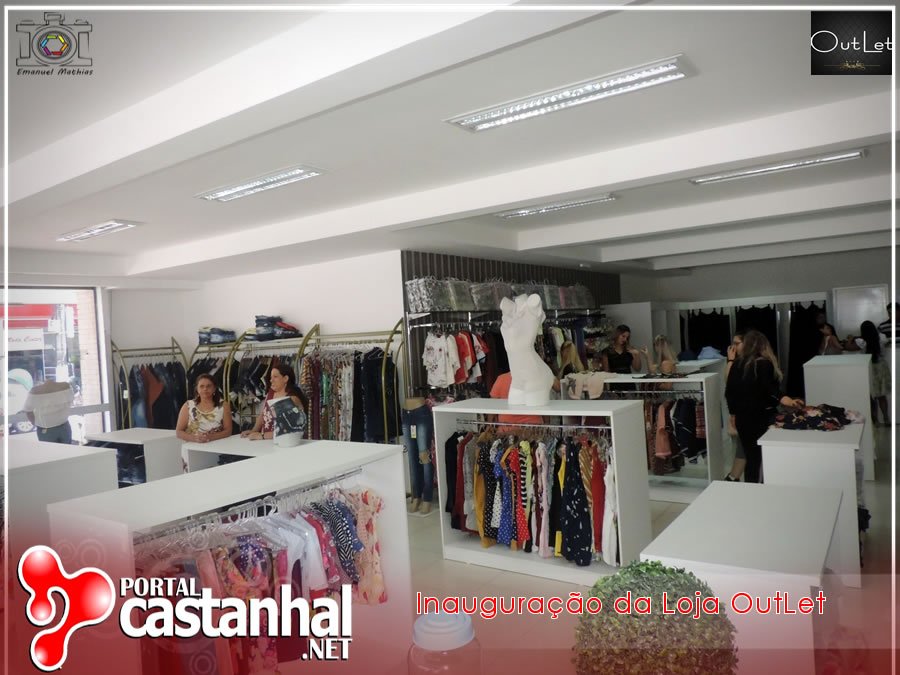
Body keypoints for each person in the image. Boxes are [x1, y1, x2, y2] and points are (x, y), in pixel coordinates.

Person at [725, 330, 803, 483]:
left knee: (751, 458)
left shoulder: (737, 365)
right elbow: (770, 389)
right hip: (761, 416)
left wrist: (733, 414)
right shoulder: (763, 364)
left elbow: (729, 392)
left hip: (742, 417)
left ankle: (751, 489)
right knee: (763, 457)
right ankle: (761, 489)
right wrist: (787, 400)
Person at [242, 363, 308, 440]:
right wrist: (253, 431)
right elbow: (263, 414)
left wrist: (261, 436)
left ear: (285, 378)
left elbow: (287, 430)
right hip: (267, 441)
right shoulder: (271, 393)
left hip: (285, 442)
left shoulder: (291, 399)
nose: (271, 380)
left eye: (275, 377)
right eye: (271, 377)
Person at [844, 321, 891, 426]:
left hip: (870, 367)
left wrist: (851, 338)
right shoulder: (882, 337)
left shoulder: (862, 341)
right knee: (882, 395)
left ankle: (876, 421)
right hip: (881, 366)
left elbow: (848, 347)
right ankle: (886, 418)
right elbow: (887, 342)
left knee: (872, 397)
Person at [175, 373, 232, 444]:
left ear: (214, 388)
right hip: (192, 445)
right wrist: (195, 438)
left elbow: (228, 431)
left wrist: (210, 437)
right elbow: (179, 432)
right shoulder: (188, 405)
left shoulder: (223, 405)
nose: (205, 389)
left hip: (217, 445)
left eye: (209, 386)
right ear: (197, 388)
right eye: (202, 386)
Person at [22, 379, 74, 444]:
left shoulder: (35, 391)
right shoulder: (65, 386)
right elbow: (70, 401)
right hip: (64, 426)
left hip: (46, 428)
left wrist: (35, 422)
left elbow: (28, 410)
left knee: (49, 449)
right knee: (67, 449)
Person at [723, 331, 745, 481]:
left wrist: (730, 360)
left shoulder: (744, 362)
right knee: (744, 446)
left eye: (737, 343)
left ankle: (733, 477)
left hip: (747, 411)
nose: (733, 347)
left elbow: (729, 382)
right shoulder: (742, 361)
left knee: (744, 445)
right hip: (744, 410)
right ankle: (733, 477)